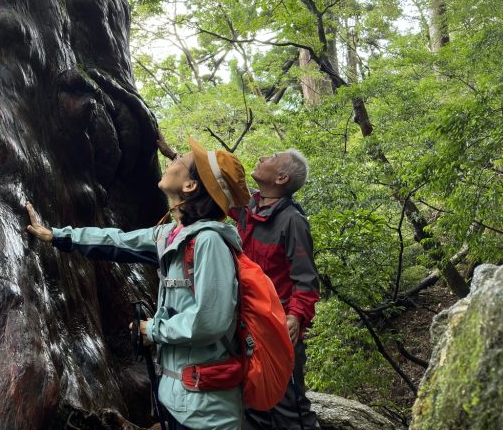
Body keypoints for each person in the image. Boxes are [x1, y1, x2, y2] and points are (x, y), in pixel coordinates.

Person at [26, 137, 252, 430]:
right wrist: (57, 236)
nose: (173, 159)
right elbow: (117, 241)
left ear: (190, 187)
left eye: (181, 158)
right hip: (179, 401)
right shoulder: (172, 234)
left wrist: (153, 330)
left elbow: (210, 321)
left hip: (207, 414)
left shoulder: (210, 243)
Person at [231, 150, 321, 430]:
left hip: (277, 330)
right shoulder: (248, 208)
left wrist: (295, 317)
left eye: (271, 156)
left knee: (289, 410)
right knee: (252, 405)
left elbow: (306, 280)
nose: (261, 157)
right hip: (244, 328)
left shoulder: (292, 221)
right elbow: (214, 188)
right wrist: (172, 154)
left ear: (281, 178)